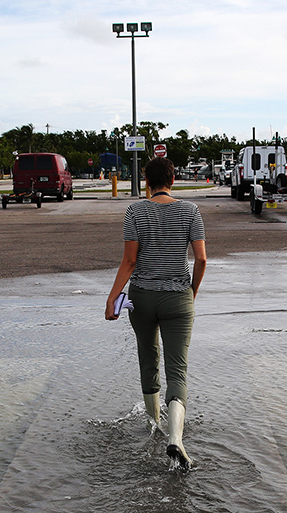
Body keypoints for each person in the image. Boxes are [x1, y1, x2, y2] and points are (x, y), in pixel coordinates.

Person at [106, 157, 206, 470]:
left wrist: (112, 299)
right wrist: (191, 292)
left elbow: (129, 261)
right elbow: (201, 259)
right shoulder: (190, 211)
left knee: (148, 359)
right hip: (178, 297)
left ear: (147, 181)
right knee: (178, 369)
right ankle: (175, 438)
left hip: (142, 298)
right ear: (173, 179)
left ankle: (154, 426)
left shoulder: (135, 210)